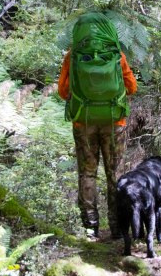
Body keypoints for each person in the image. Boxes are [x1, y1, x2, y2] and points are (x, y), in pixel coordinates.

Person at [58, 14, 138, 238]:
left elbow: (63, 92)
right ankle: (118, 228)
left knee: (87, 173)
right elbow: (132, 87)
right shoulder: (116, 55)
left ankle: (90, 227)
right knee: (115, 173)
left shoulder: (73, 56)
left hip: (83, 122)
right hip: (114, 123)